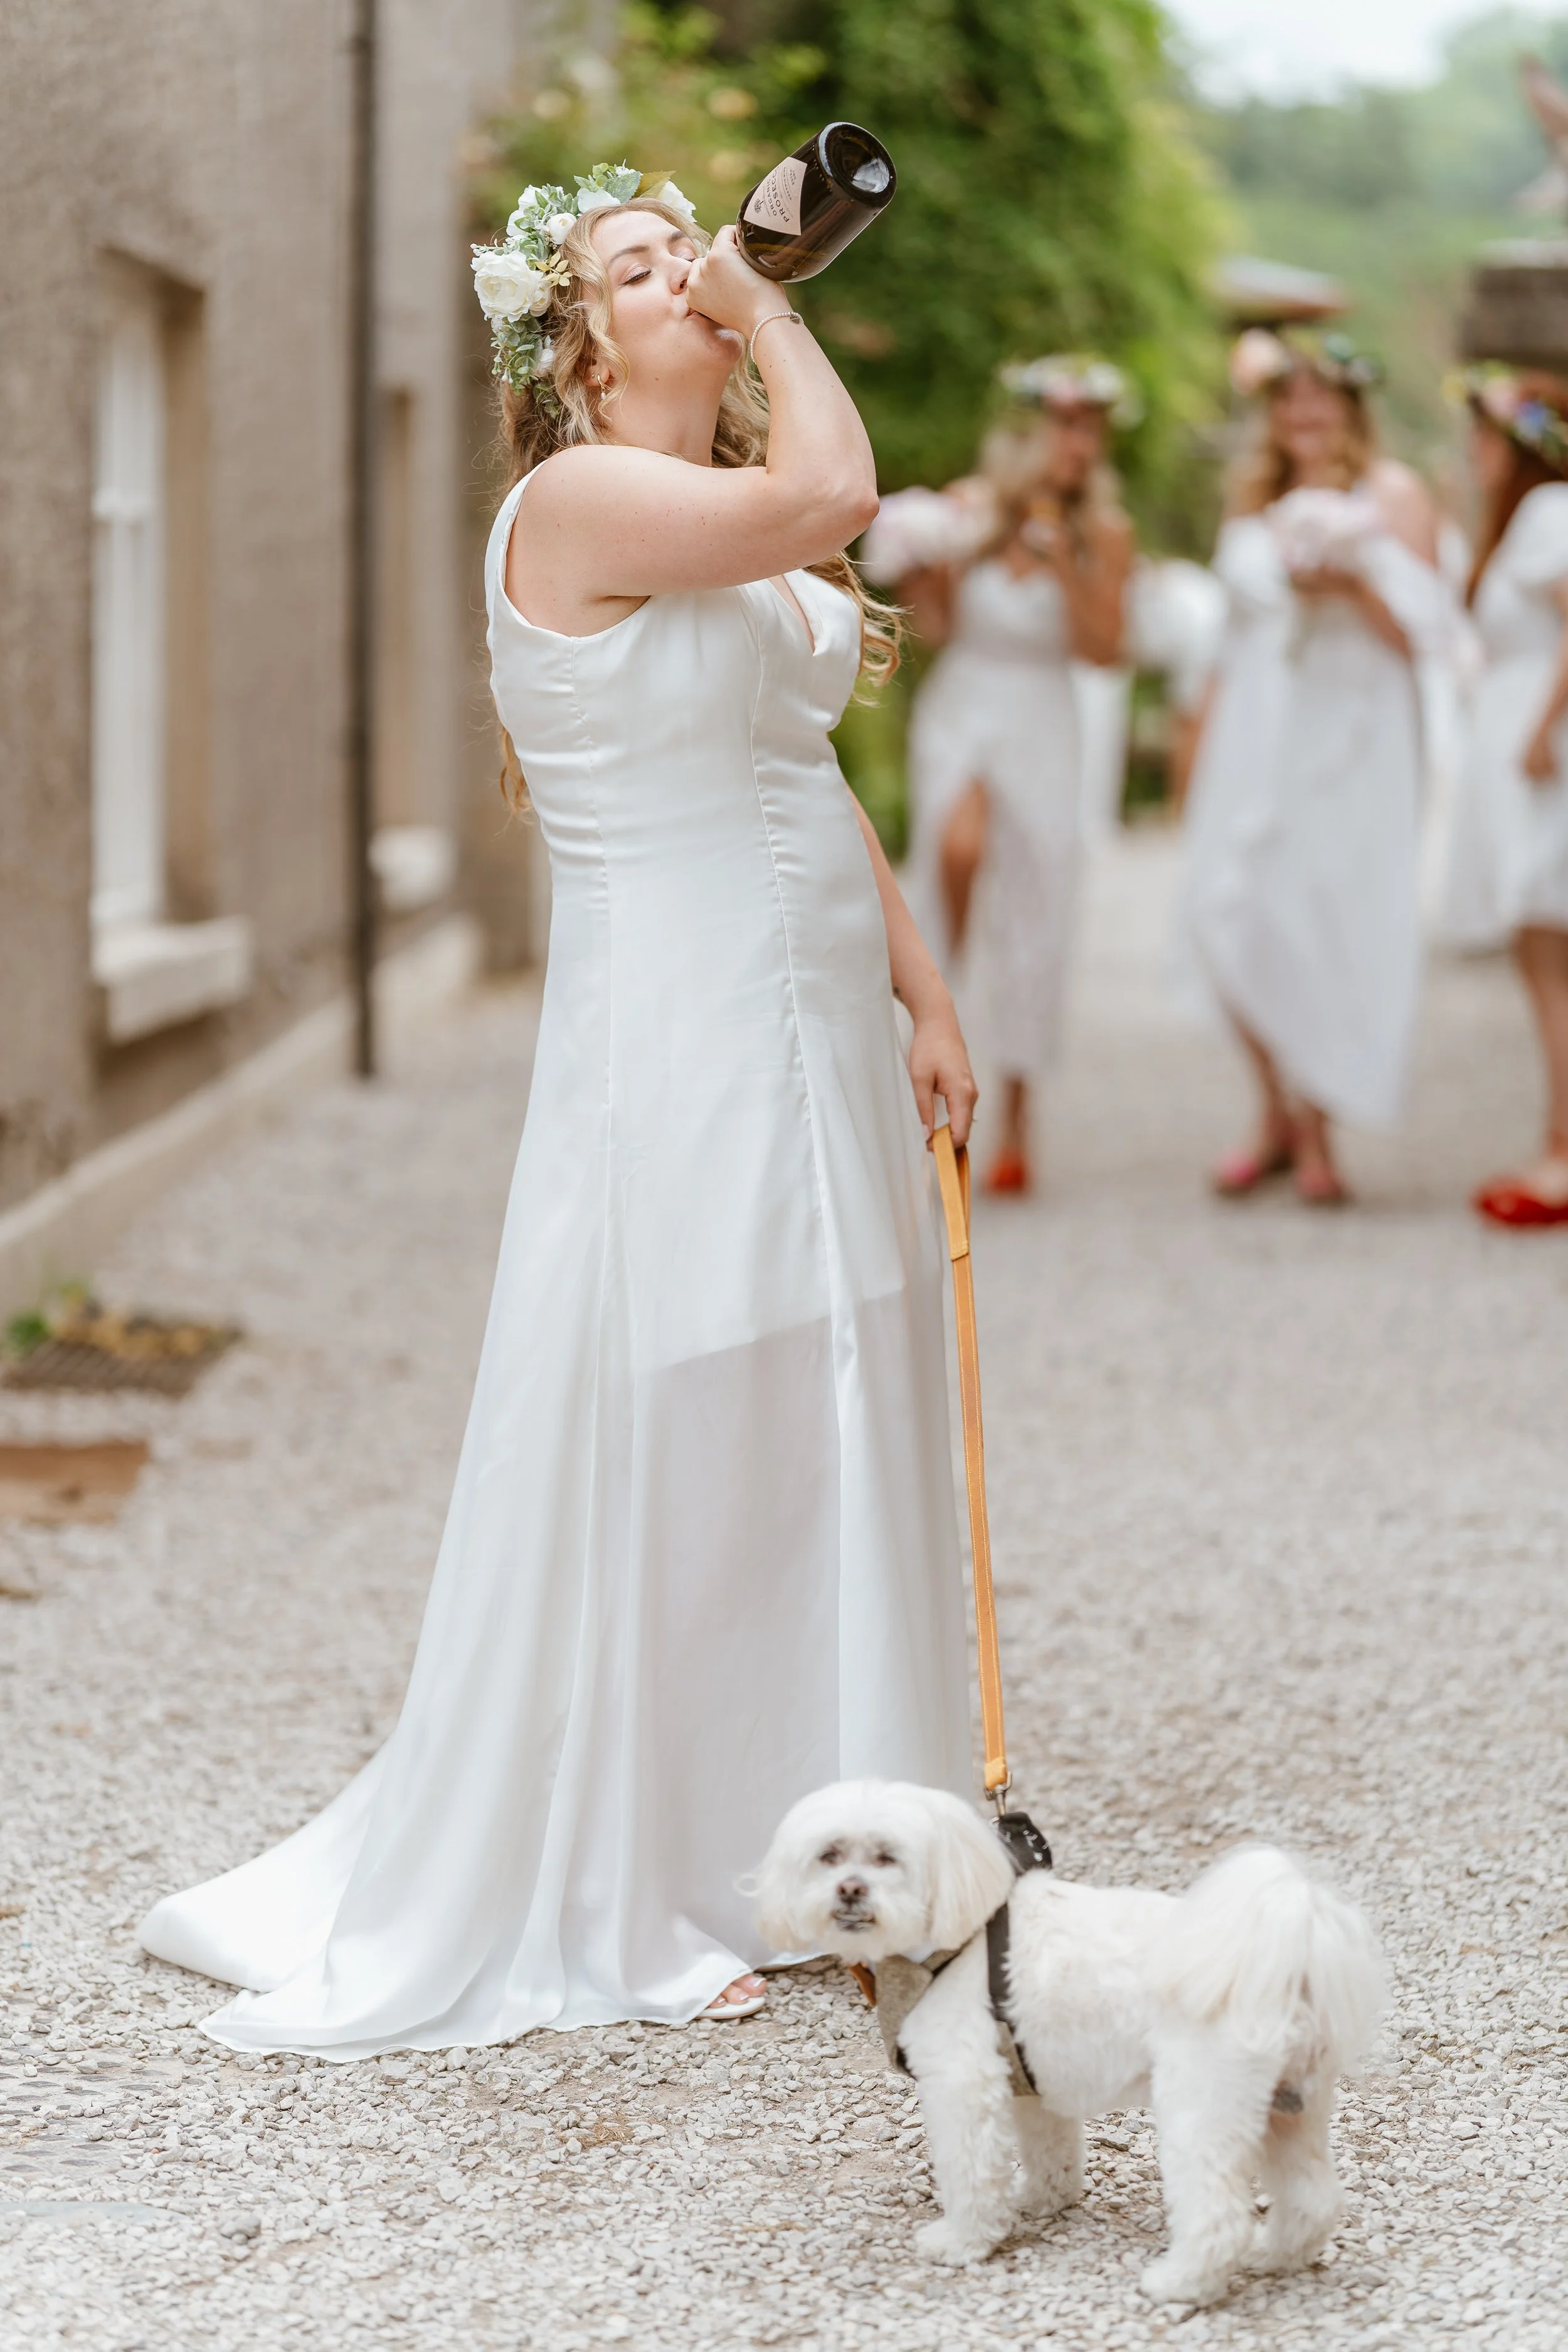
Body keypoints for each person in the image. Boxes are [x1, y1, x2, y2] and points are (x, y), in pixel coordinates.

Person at [139, 167, 977, 2052]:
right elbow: (839, 493)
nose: (688, 271)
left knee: (827, 1384)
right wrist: (770, 305)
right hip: (681, 1021)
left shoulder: (718, 521)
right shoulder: (583, 499)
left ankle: (846, 1836)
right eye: (638, 262)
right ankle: (650, 1870)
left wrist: (921, 990)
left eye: (692, 245)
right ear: (579, 348)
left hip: (819, 1019)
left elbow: (801, 762)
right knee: (693, 1401)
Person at [1181, 330, 1445, 1205]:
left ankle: (1319, 1128)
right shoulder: (1252, 497)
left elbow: (1425, 636)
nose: (1303, 413)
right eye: (1288, 399)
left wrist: (1349, 584)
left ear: (1352, 405)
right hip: (1252, 728)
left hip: (1352, 727)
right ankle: (1273, 1109)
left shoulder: (1394, 494)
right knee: (1224, 914)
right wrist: (1195, 749)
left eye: (1320, 396)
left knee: (1322, 917)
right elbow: (1225, 645)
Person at [862, 358, 1135, 1194]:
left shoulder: (1105, 532)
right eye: (1065, 425)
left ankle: (1017, 1113)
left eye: (1091, 430)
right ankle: (937, 1037)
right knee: (957, 853)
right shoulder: (968, 510)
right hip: (965, 708)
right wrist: (919, 575)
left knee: (1035, 904)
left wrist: (1066, 568)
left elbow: (1106, 651)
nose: (1079, 444)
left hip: (1045, 718)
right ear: (1027, 432)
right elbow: (942, 629)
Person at [1440, 369, 1568, 1227]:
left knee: (1549, 948)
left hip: (1546, 756)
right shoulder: (1520, 520)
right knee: (1540, 951)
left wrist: (1541, 727)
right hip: (1525, 741)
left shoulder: (1549, 511)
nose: (1474, 450)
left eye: (1487, 436)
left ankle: (1563, 1149)